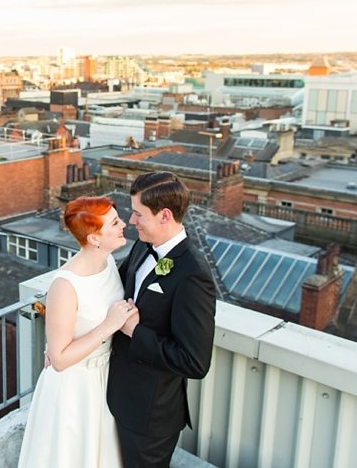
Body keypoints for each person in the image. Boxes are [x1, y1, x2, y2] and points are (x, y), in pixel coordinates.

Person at [107, 171, 217, 468]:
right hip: (116, 395)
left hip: (149, 417)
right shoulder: (143, 245)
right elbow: (113, 289)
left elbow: (194, 361)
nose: (131, 221)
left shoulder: (193, 275)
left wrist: (135, 330)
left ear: (165, 215)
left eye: (138, 213)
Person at [19, 196, 137, 468]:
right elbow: (58, 359)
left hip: (105, 378)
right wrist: (108, 326)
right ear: (95, 238)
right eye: (115, 223)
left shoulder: (108, 263)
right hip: (73, 388)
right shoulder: (65, 285)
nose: (124, 225)